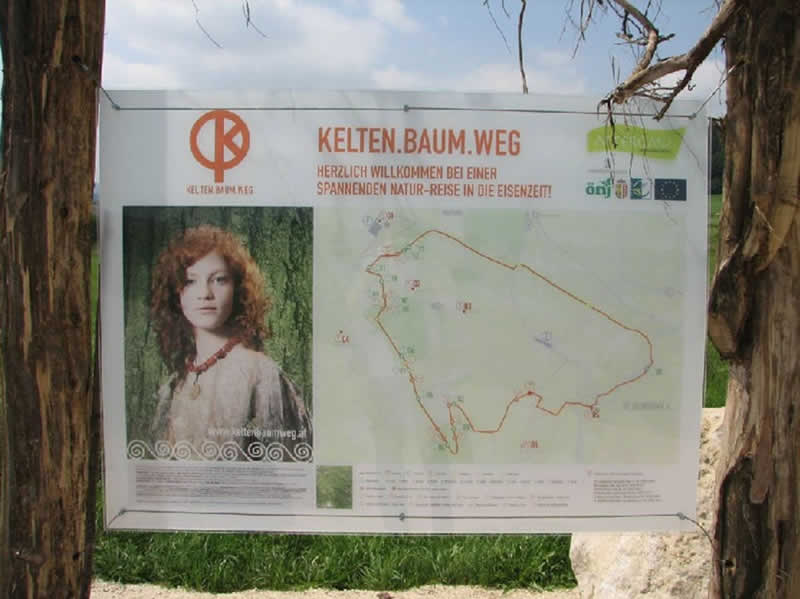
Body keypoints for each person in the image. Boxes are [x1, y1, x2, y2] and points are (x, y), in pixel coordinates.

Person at [149, 225, 311, 462]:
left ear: (238, 289)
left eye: (219, 280)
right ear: (176, 293)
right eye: (190, 281)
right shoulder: (174, 386)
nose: (204, 293)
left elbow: (287, 470)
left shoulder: (260, 373)